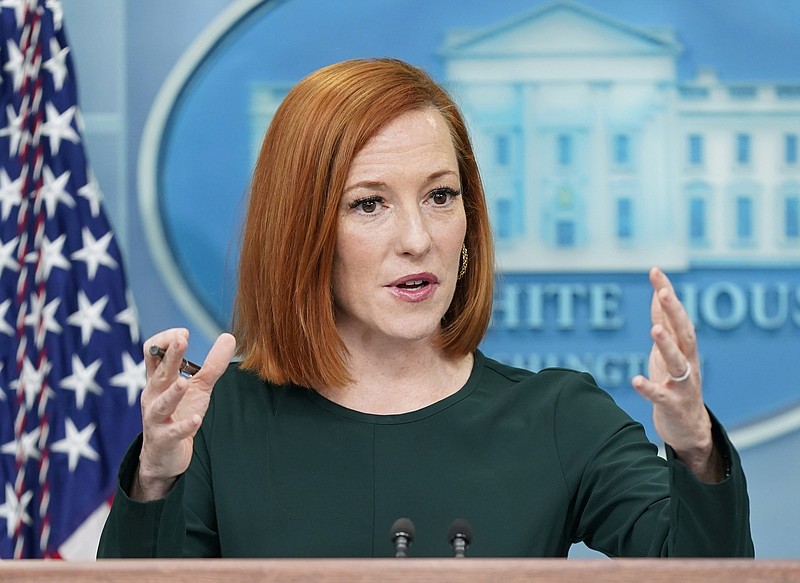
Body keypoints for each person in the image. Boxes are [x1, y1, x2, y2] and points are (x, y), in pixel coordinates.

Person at [97, 58, 753, 558]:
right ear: (300, 228)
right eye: (369, 203)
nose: (418, 238)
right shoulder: (216, 427)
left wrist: (695, 448)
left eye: (440, 196)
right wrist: (155, 477)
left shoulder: (560, 417)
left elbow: (700, 569)